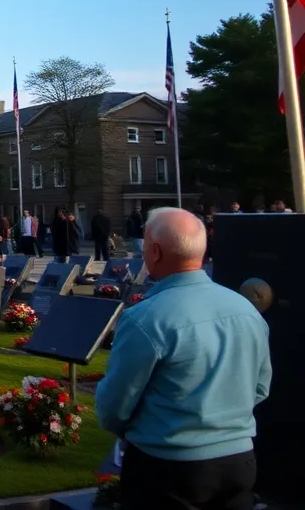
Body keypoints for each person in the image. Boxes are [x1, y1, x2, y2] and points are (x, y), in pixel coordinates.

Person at [96, 208, 270, 510]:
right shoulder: (245, 309)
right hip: (239, 460)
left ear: (155, 251)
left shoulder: (145, 318)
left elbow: (115, 405)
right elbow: (260, 388)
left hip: (168, 465)